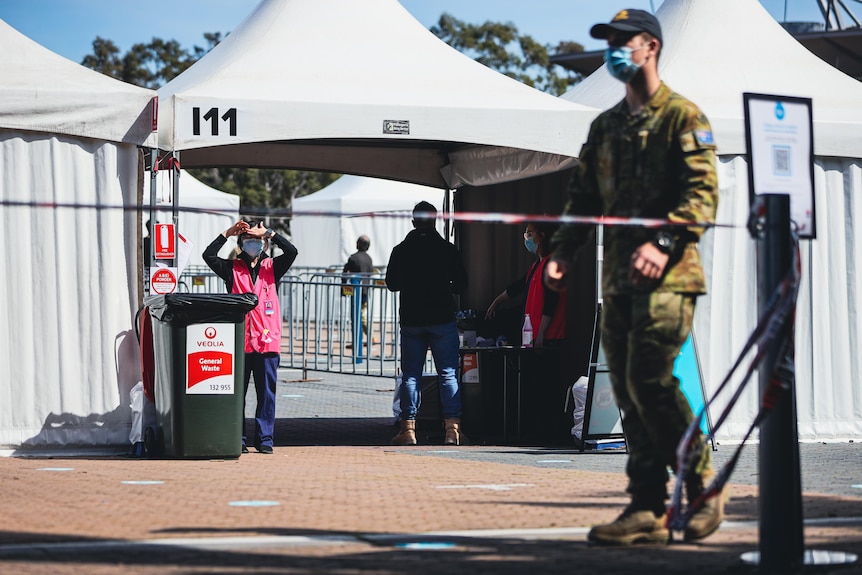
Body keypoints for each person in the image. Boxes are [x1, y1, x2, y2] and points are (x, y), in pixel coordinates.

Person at [544, 9, 721, 545]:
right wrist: (561, 251)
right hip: (617, 282)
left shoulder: (683, 117)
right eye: (609, 42)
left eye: (623, 41)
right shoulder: (605, 127)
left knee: (651, 379)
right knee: (627, 390)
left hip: (669, 279)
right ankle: (646, 505)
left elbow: (703, 195)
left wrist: (664, 242)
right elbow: (583, 200)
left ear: (650, 46)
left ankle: (701, 483)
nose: (614, 50)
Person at [203, 220, 298, 455]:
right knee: (238, 395)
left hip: (267, 343)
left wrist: (270, 233)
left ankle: (265, 439)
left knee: (266, 394)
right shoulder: (232, 268)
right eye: (248, 240)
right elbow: (208, 255)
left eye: (256, 240)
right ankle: (239, 438)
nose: (252, 243)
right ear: (241, 244)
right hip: (240, 343)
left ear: (263, 243)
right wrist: (226, 233)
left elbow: (292, 251)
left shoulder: (272, 267)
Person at [385, 201, 468, 446]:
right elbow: (462, 284)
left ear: (413, 222)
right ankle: (452, 429)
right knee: (448, 373)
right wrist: (444, 287)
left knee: (411, 374)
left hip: (412, 319)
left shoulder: (401, 250)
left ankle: (408, 430)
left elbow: (392, 283)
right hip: (442, 318)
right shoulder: (447, 249)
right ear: (435, 220)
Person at [486, 221, 567, 348]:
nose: (527, 239)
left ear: (541, 236)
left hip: (548, 337)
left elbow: (552, 300)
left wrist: (541, 334)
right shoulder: (537, 265)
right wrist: (497, 301)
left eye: (530, 234)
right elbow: (518, 286)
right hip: (532, 336)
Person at [342, 235, 374, 346]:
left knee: (358, 316)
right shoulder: (369, 259)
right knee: (361, 315)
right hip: (365, 290)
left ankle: (365, 338)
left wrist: (343, 289)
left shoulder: (353, 258)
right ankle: (361, 340)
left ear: (358, 244)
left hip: (355, 291)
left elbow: (345, 273)